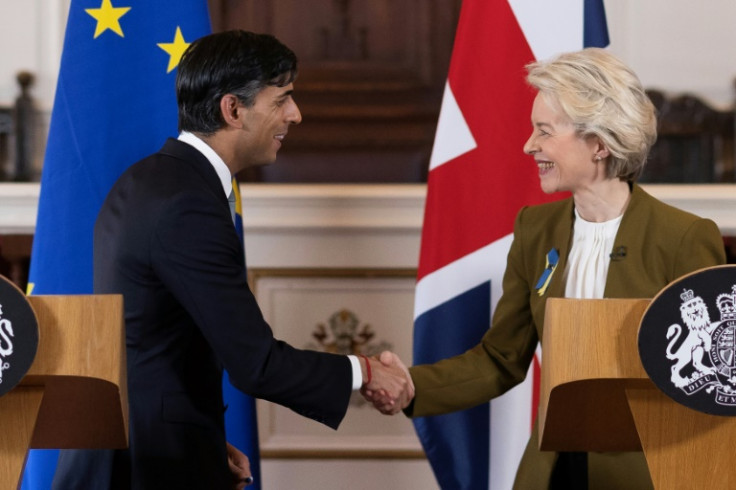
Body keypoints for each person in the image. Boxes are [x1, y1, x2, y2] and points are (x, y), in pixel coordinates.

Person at [52, 30, 413, 490]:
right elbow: (256, 363)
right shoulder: (187, 202)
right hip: (147, 466)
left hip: (135, 447)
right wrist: (364, 371)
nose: (295, 114)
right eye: (282, 99)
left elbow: (151, 341)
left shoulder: (149, 179)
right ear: (233, 109)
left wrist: (199, 438)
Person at [368, 48, 727, 489]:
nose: (529, 145)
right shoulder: (535, 229)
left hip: (647, 475)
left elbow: (714, 378)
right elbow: (501, 359)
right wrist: (411, 385)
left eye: (544, 131)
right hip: (553, 472)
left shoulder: (684, 237)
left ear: (599, 143)